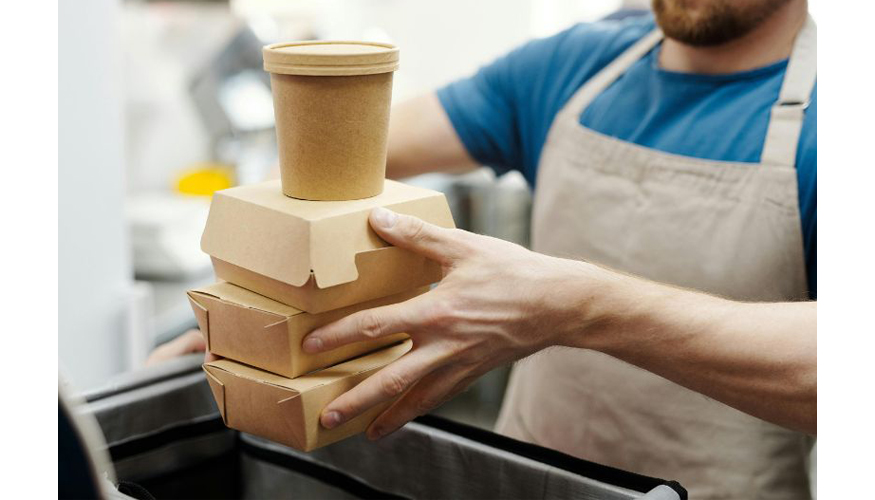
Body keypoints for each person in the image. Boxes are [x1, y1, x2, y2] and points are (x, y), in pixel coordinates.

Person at [301, 0, 817, 498]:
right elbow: (340, 151)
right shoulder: (572, 66)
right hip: (528, 477)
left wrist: (580, 306)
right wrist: (257, 277)